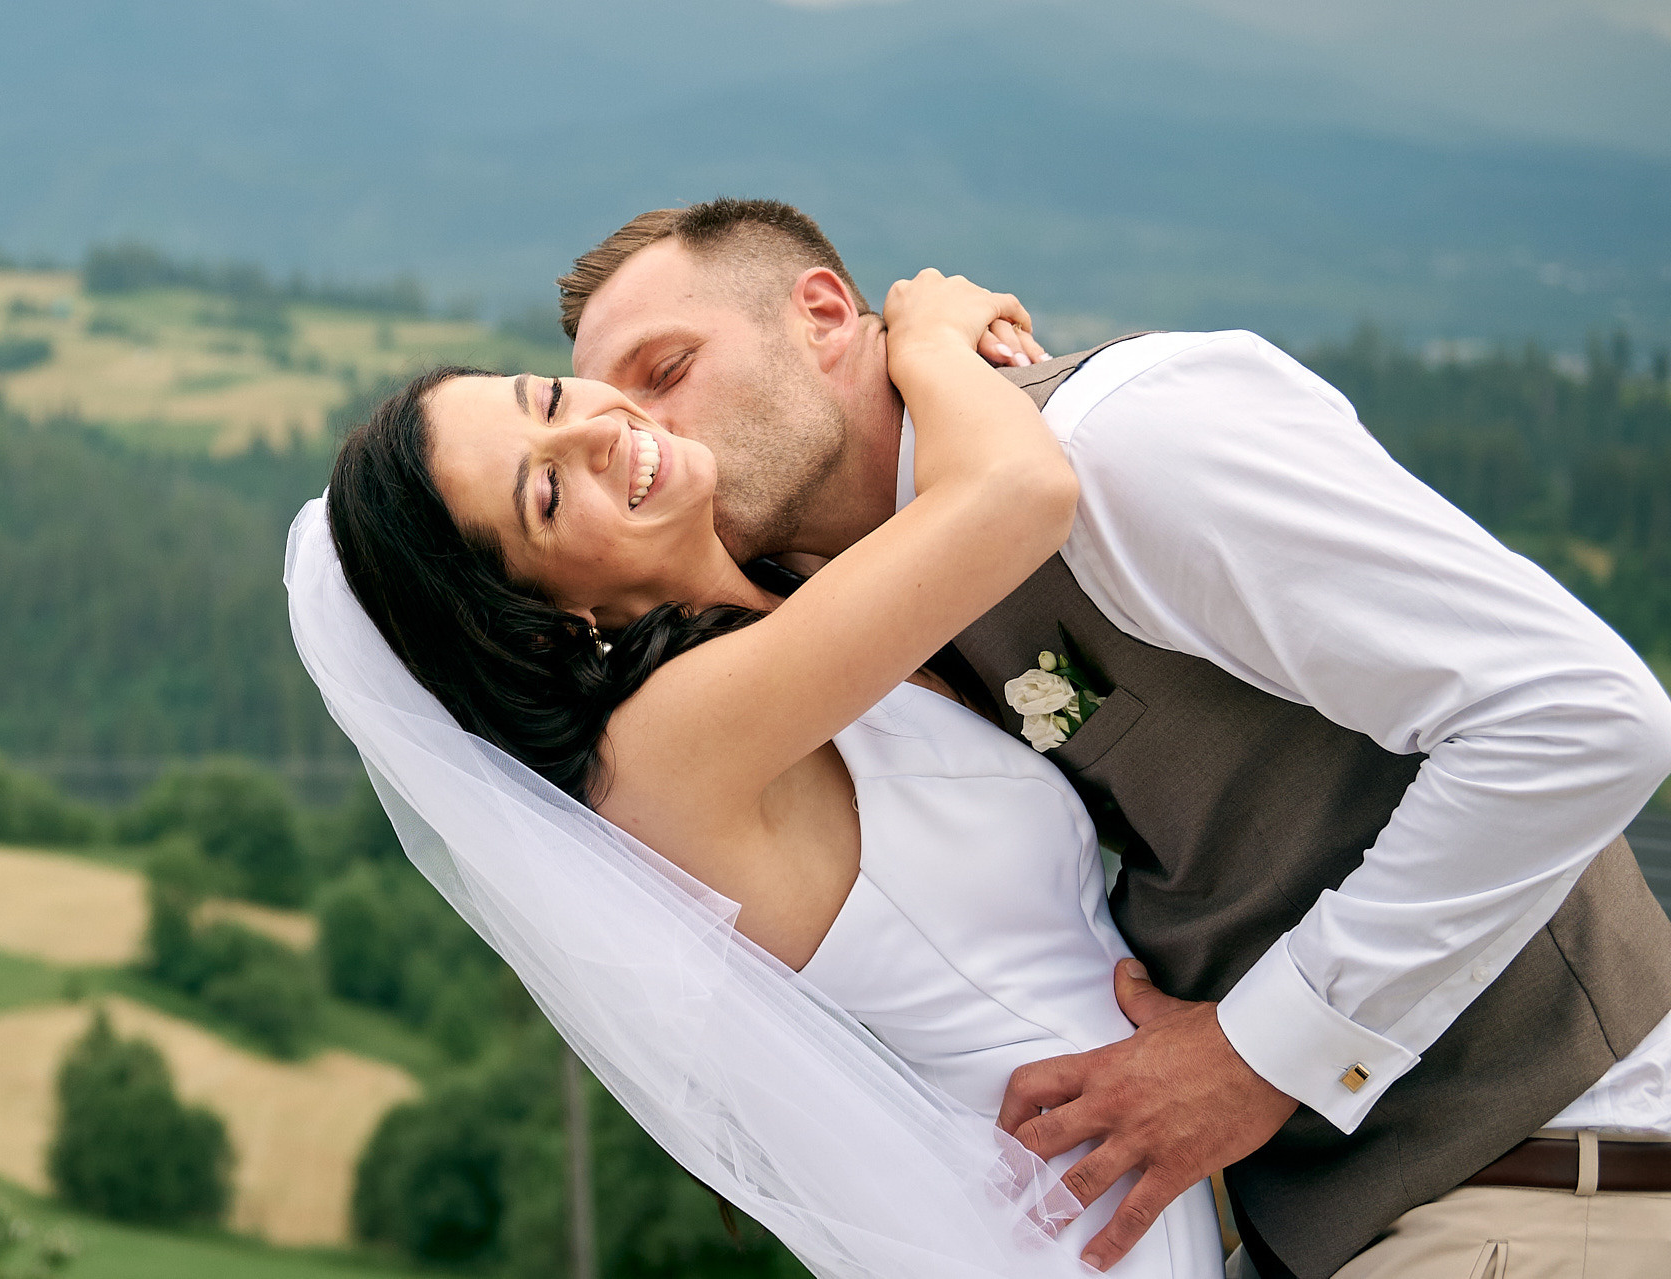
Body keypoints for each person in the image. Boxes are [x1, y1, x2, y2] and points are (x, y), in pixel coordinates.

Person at [561, 197, 1671, 1279]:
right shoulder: (847, 617)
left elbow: (1578, 717)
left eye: (665, 371)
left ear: (821, 313)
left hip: (1540, 1183)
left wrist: (1252, 1054)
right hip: (1330, 1226)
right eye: (604, 410)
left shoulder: (1123, 440)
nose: (641, 433)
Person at [296, 268, 1224, 1277]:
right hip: (1083, 1223)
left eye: (550, 401)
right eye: (548, 492)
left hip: (1141, 1154)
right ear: (542, 621)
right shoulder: (660, 747)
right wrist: (920, 339)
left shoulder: (781, 605)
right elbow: (1020, 491)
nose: (595, 431)